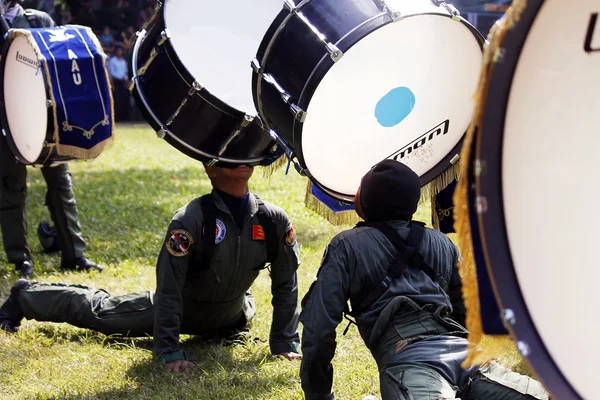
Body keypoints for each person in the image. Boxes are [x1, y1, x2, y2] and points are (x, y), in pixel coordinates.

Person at [0, 163, 302, 371]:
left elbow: (286, 282)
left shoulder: (272, 219)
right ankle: (24, 296)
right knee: (102, 312)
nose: (241, 160)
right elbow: (169, 288)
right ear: (210, 168)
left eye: (245, 154)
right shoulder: (191, 219)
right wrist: (169, 349)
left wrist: (284, 342)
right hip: (178, 309)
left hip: (232, 316)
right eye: (230, 155)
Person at [299, 160, 550, 400]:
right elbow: (470, 309)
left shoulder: (346, 246)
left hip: (412, 364)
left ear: (367, 199)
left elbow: (318, 331)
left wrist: (318, 395)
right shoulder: (442, 242)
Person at [0, 0, 102, 277]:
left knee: (61, 184)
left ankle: (75, 254)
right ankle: (19, 258)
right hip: (6, 119)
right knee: (11, 188)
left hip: (44, 120)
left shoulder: (38, 21)